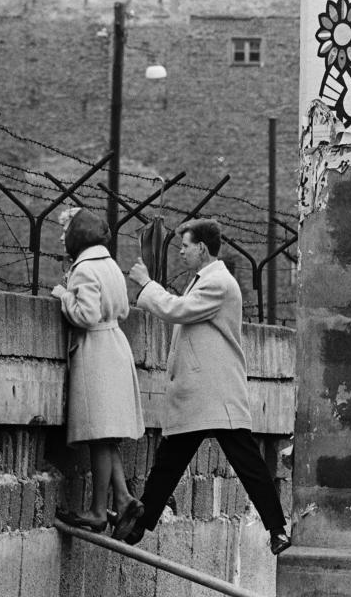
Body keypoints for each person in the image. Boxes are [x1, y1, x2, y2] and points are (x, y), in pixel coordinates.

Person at [116, 218, 290, 555]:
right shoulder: (205, 281)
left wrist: (146, 284)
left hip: (216, 393)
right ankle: (139, 526)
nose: (180, 251)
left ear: (203, 249)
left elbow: (176, 310)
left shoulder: (218, 284)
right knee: (169, 461)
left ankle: (277, 529)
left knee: (247, 464)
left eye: (185, 246)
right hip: (201, 393)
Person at [51, 207, 145, 533]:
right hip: (116, 345)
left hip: (97, 352)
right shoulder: (111, 266)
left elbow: (86, 316)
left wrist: (64, 295)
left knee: (99, 435)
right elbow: (123, 309)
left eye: (65, 231)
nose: (62, 238)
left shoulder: (84, 270)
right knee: (106, 436)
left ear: (79, 233)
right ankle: (123, 499)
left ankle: (97, 511)